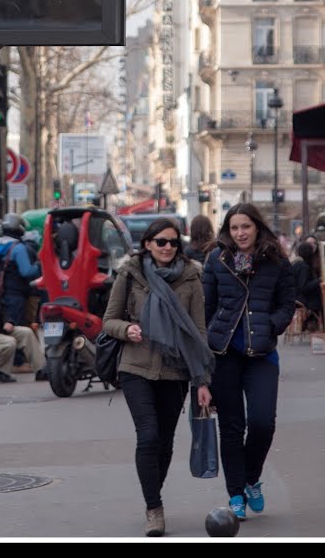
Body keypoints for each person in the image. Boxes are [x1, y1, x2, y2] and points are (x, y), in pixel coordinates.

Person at [102, 217, 214, 537]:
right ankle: (154, 507)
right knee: (148, 436)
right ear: (148, 244)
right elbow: (109, 321)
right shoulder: (131, 273)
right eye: (161, 241)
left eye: (173, 242)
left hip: (175, 370)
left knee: (164, 443)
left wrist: (203, 380)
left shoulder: (191, 277)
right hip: (136, 367)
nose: (167, 247)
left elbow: (198, 331)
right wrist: (128, 329)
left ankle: (153, 493)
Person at [202, 203, 295, 522]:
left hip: (262, 353)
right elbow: (206, 306)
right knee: (231, 427)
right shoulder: (217, 259)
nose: (240, 233)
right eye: (234, 228)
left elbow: (287, 303)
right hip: (224, 354)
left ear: (257, 228)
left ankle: (251, 478)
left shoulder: (276, 260)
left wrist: (272, 325)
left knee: (262, 422)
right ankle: (235, 494)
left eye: (246, 227)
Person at [0, 215, 41, 326]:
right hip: (17, 294)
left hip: (2, 292)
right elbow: (27, 271)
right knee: (18, 326)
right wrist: (37, 266)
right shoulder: (18, 247)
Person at [290, 241, 323, 329]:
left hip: (294, 297)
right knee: (322, 300)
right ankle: (314, 322)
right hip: (302, 299)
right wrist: (319, 280)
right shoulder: (303, 267)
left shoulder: (296, 264)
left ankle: (310, 322)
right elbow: (304, 287)